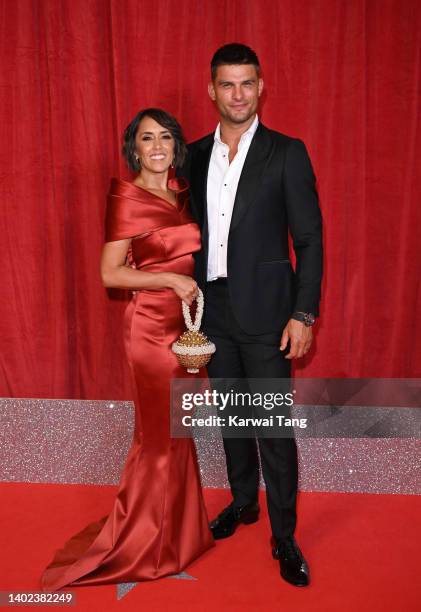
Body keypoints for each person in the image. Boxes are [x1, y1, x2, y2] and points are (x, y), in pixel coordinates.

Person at [40, 108, 214, 591]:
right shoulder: (126, 197)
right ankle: (145, 546)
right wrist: (169, 279)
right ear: (133, 147)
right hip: (150, 330)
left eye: (165, 137)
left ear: (176, 144)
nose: (156, 146)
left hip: (183, 327)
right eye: (146, 138)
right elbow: (110, 273)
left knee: (177, 433)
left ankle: (180, 536)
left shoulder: (179, 192)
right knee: (159, 440)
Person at [180, 43, 323, 587]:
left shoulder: (287, 152)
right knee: (233, 420)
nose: (237, 94)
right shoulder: (191, 155)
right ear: (211, 89)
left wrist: (303, 314)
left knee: (270, 427)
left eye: (247, 83)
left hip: (268, 315)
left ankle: (284, 536)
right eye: (227, 84)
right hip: (211, 313)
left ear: (260, 87)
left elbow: (309, 239)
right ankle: (244, 503)